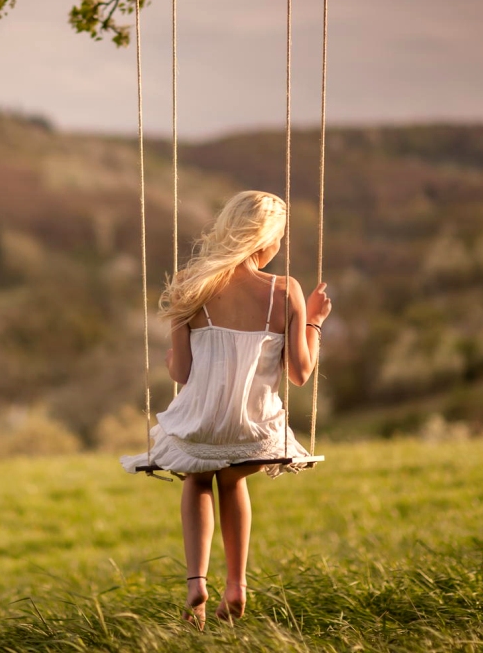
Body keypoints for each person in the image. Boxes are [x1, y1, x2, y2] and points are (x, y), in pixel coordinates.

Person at [120, 190, 331, 628]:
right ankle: (237, 584)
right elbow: (300, 373)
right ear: (266, 240)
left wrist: (172, 357)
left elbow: (180, 372)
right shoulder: (284, 290)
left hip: (201, 422)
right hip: (253, 427)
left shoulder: (189, 284)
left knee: (198, 480)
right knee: (233, 481)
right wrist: (313, 321)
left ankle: (197, 582)